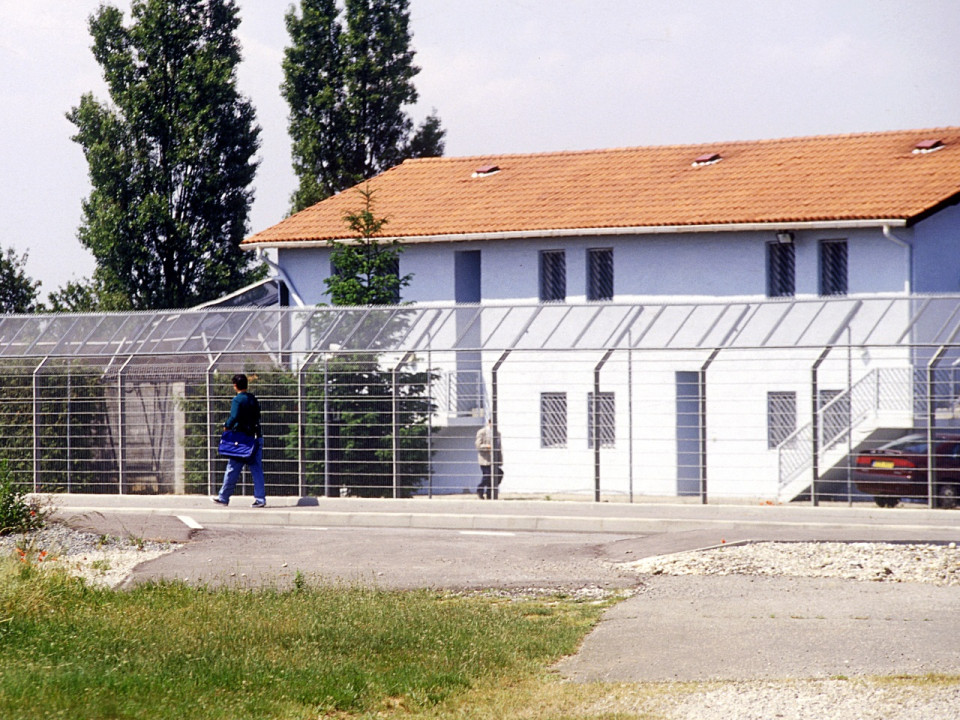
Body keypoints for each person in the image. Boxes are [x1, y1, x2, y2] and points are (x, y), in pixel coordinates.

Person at [212, 373, 266, 507]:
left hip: (240, 441)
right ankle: (260, 499)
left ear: (235, 386)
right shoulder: (253, 399)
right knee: (256, 469)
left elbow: (234, 416)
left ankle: (224, 497)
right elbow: (257, 415)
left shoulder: (237, 400)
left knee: (232, 469)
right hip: (254, 438)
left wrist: (227, 426)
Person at [475, 419, 503, 500]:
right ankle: (480, 490)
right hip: (485, 460)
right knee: (487, 476)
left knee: (499, 474)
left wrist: (500, 460)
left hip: (494, 460)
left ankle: (490, 492)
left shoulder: (498, 434)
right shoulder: (482, 432)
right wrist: (488, 446)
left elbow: (499, 448)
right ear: (489, 423)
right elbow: (478, 445)